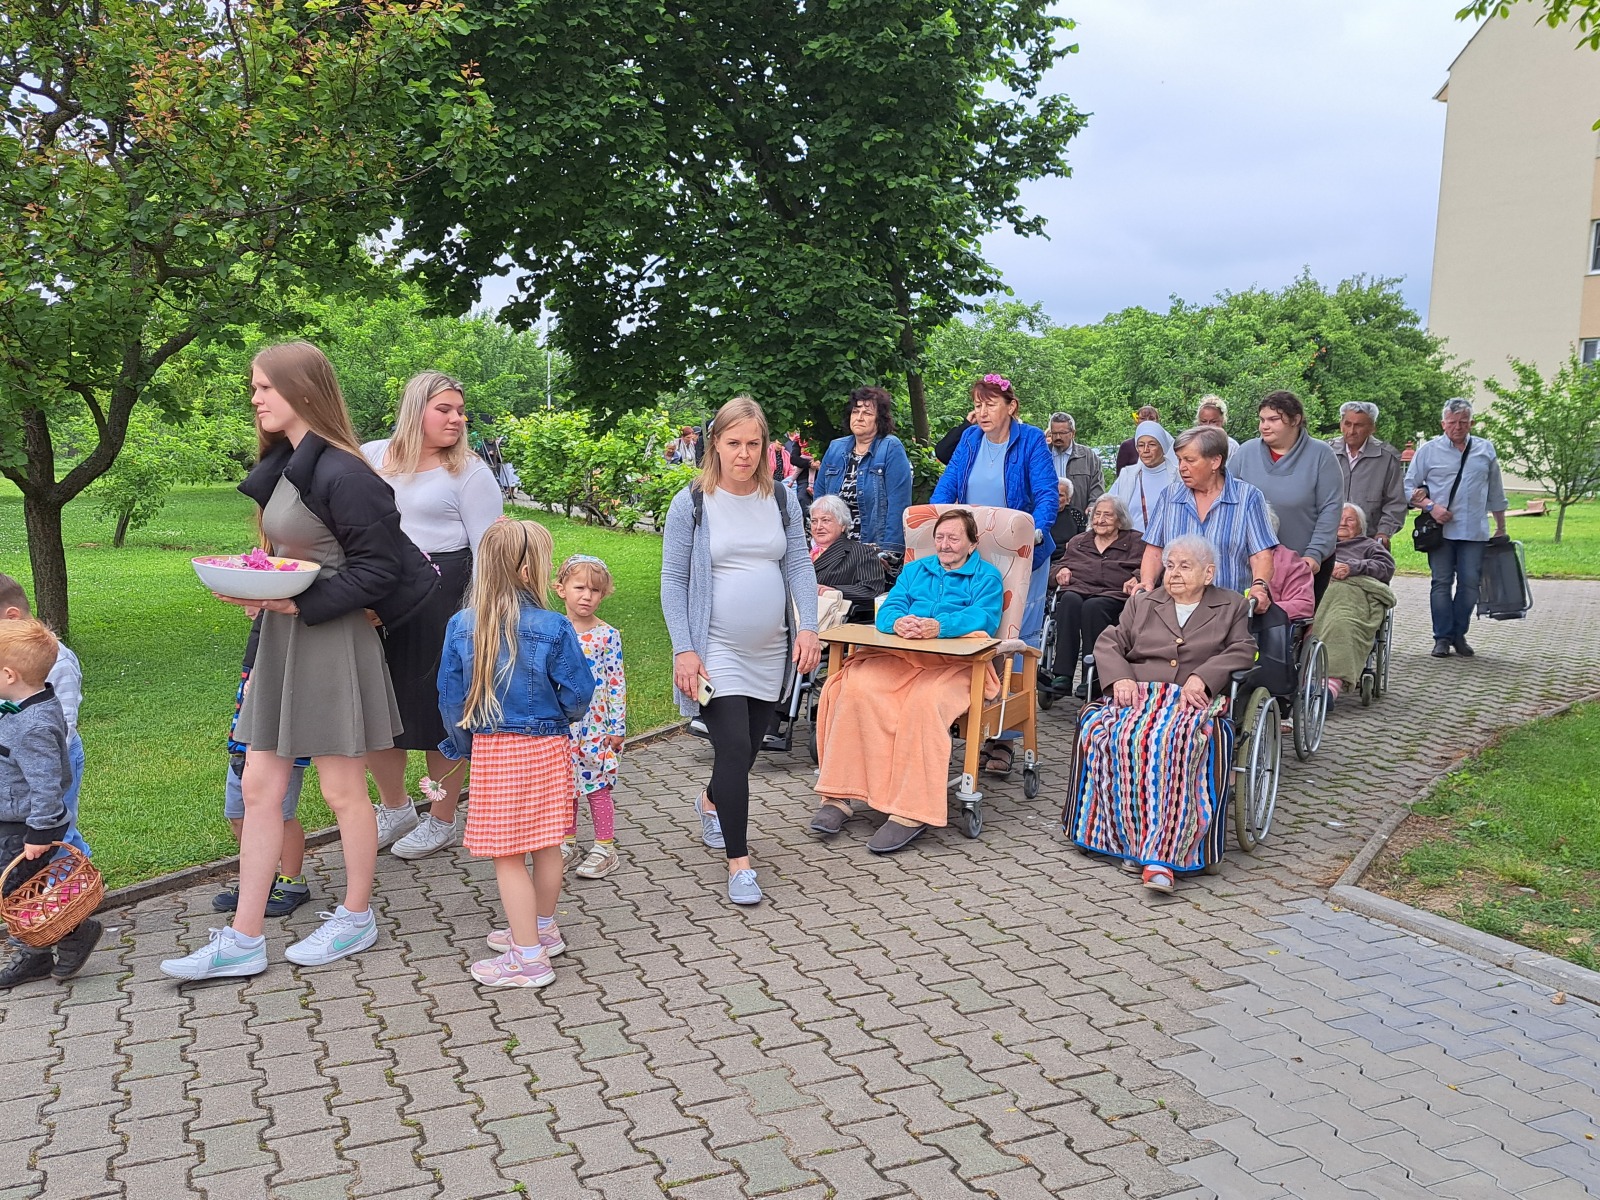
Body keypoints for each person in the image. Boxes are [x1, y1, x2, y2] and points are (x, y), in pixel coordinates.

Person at [162, 341, 437, 981]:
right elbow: (298, 554)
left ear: (302, 391)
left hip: (332, 642)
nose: (255, 398)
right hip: (284, 638)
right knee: (260, 788)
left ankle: (356, 916)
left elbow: (380, 569)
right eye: (254, 387)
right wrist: (262, 584)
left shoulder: (346, 474)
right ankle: (243, 938)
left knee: (342, 790)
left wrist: (295, 601)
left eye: (264, 386)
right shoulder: (290, 463)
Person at [660, 396, 821, 906]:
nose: (744, 454)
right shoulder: (692, 502)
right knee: (731, 749)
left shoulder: (781, 499)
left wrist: (809, 627)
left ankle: (711, 801)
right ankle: (739, 864)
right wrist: (684, 649)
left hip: (771, 649)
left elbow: (799, 564)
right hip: (716, 649)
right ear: (715, 443)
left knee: (748, 751)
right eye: (734, 443)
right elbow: (673, 580)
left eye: (754, 443)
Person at [437, 520, 596, 987]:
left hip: (497, 749)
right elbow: (579, 692)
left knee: (507, 855)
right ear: (529, 570)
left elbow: (451, 698)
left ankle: (528, 958)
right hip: (548, 747)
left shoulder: (463, 625)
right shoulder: (554, 625)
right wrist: (556, 718)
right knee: (547, 842)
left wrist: (464, 745)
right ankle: (542, 930)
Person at [363, 372, 504, 859]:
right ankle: (396, 808)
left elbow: (490, 552)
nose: (457, 419)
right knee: (377, 708)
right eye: (444, 409)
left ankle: (442, 817)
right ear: (415, 409)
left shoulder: (469, 472)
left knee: (437, 711)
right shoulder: (371, 456)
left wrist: (482, 620)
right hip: (375, 592)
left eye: (460, 411)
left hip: (442, 599)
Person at [810, 509, 1004, 853]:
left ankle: (912, 810)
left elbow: (984, 618)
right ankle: (838, 794)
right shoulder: (916, 570)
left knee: (923, 703)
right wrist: (897, 623)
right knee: (852, 687)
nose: (944, 544)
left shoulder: (986, 577)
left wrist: (939, 626)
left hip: (958, 664)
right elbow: (889, 608)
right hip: (902, 656)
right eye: (940, 537)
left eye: (954, 538)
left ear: (972, 544)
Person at [1074, 536, 1257, 894]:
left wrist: (1204, 676)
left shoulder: (1231, 605)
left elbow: (1243, 648)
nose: (1173, 573)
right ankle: (1127, 840)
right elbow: (1110, 641)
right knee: (1112, 734)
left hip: (1190, 699)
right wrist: (1120, 677)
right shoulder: (1143, 602)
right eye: (1170, 565)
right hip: (1140, 692)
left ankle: (1161, 855)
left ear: (1208, 573)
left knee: (1170, 742)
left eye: (1184, 566)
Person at [931, 373, 1057, 776]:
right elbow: (947, 487)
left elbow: (1046, 493)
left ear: (1010, 407)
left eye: (990, 404)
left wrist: (1036, 531)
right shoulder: (970, 439)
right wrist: (936, 522)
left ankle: (1005, 737)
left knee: (1014, 640)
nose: (982, 412)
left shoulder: (1031, 439)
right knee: (975, 632)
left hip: (1021, 552)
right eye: (977, 404)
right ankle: (971, 719)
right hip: (976, 554)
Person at [0, 619, 100, 989]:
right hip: (12, 817)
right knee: (19, 891)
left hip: (27, 826)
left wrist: (39, 833)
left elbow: (47, 784)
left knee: (18, 893)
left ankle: (72, 934)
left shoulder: (35, 726)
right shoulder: (19, 704)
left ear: (9, 675)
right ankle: (38, 953)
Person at [211, 623, 313, 917]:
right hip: (243, 750)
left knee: (281, 816)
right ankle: (259, 877)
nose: (248, 611)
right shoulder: (256, 657)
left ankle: (292, 881)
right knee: (237, 815)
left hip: (280, 754)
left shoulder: (291, 659)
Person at [1405, 398, 1508, 658]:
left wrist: (1501, 527)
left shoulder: (1485, 449)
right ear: (1443, 424)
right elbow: (1407, 488)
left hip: (1474, 530)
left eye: (1463, 422)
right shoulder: (1428, 451)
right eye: (1452, 422)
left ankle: (1458, 634)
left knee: (1470, 585)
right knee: (1441, 583)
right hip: (1440, 532)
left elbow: (1496, 492)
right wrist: (1431, 507)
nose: (1457, 427)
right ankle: (1441, 638)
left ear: (1472, 423)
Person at [1138, 425, 1276, 607]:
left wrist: (1259, 586)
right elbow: (1154, 551)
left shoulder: (1248, 497)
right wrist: (1147, 582)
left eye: (1190, 460)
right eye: (1179, 460)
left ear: (1215, 461)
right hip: (1175, 608)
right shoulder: (1169, 496)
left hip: (1229, 609)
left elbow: (1260, 555)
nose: (1182, 468)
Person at [0, 575, 88, 858]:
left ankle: (70, 877)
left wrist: (40, 830)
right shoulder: (12, 671)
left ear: (11, 617)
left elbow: (61, 726)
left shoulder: (57, 663)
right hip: (20, 761)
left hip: (53, 756)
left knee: (54, 835)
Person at [1232, 390, 1343, 603]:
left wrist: (1314, 554)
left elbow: (1330, 510)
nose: (1264, 426)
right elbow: (1227, 499)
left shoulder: (1321, 455)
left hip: (1303, 566)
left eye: (1273, 419)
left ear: (1295, 420)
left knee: (1294, 622)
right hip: (1250, 565)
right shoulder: (1245, 453)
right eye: (1262, 420)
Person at [555, 554, 627, 880]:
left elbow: (616, 682)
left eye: (595, 590)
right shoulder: (554, 631)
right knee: (565, 786)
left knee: (597, 786)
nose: (587, 596)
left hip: (596, 728)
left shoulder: (607, 635)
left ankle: (605, 847)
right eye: (580, 588)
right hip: (561, 726)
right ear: (562, 589)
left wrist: (617, 726)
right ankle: (567, 843)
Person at [1046, 495, 1145, 699]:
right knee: (1069, 601)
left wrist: (1137, 577)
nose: (1100, 520)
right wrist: (1059, 572)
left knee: (1093, 607)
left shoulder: (1136, 542)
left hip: (1113, 595)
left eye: (1107, 515)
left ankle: (1093, 676)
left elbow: (1150, 568)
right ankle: (1062, 675)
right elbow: (1056, 566)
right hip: (1079, 589)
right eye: (1097, 514)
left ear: (1120, 520)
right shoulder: (1079, 541)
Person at [814, 387, 914, 556]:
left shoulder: (891, 447)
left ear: (879, 419)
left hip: (872, 549)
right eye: (855, 411)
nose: (859, 417)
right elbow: (820, 499)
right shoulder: (835, 448)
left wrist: (890, 552)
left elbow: (898, 505)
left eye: (867, 413)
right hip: (834, 548)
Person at [1312, 504, 1397, 702]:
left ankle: (1330, 684)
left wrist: (1352, 568)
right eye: (1339, 518)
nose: (1343, 523)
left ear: (1361, 526)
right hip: (1321, 593)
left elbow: (1386, 567)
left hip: (1353, 594)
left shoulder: (1369, 546)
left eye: (1350, 519)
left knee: (1342, 622)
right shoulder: (1321, 544)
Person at [1329, 401, 1407, 545]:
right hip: (1327, 537)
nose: (1352, 431)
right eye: (1347, 424)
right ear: (1341, 425)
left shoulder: (1386, 458)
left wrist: (1384, 532)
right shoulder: (1326, 453)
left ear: (1372, 428)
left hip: (1368, 539)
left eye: (1359, 425)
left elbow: (1395, 503)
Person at [809, 495, 888, 620]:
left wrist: (833, 591)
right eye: (814, 521)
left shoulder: (862, 553)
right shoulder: (800, 551)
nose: (818, 527)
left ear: (842, 525)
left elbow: (872, 591)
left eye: (825, 520)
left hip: (834, 619)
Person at [1108, 420, 1175, 534]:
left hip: (1169, 541)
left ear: (1162, 447)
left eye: (1152, 444)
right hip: (1131, 543)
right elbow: (1110, 507)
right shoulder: (1127, 476)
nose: (1146, 450)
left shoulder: (1177, 476)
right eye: (1141, 445)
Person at [1045, 412, 1105, 524]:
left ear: (1073, 433)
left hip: (1079, 521)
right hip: (1047, 519)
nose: (1058, 437)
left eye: (1062, 433)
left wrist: (1093, 507)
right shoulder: (1042, 455)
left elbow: (1097, 487)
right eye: (1054, 433)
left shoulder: (1088, 456)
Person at [1264, 508, 1315, 623]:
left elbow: (1303, 605)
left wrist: (1263, 609)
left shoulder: (1290, 562)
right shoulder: (1223, 558)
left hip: (1265, 628)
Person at [1115, 406, 1161, 473]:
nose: (1147, 421)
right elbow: (1120, 475)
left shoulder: (1164, 445)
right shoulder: (1127, 446)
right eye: (1142, 418)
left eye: (1151, 418)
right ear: (1136, 421)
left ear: (1157, 421)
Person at [1194, 395, 1240, 460]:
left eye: (1213, 422)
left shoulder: (1232, 446)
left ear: (1222, 420)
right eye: (1204, 421)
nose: (1208, 425)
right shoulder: (1191, 444)